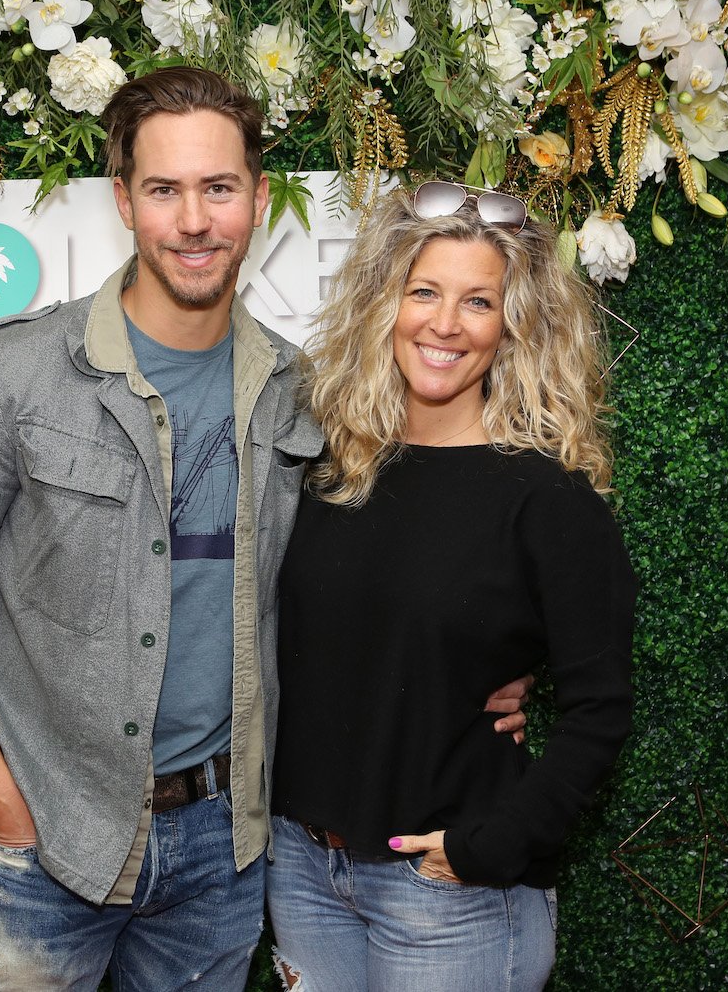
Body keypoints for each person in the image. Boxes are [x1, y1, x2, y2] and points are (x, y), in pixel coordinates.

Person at [0, 70, 530, 991]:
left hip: (224, 852)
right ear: (124, 201)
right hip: (48, 840)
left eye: (218, 189)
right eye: (164, 190)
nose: (193, 221)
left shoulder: (308, 393)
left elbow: (396, 561)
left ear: (258, 199)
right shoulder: (16, 373)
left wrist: (505, 662)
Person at [266, 183, 637, 991]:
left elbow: (601, 711)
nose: (444, 323)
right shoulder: (327, 470)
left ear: (513, 326)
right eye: (423, 291)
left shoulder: (549, 501)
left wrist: (490, 847)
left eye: (478, 300)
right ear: (383, 304)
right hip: (301, 872)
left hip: (449, 898)